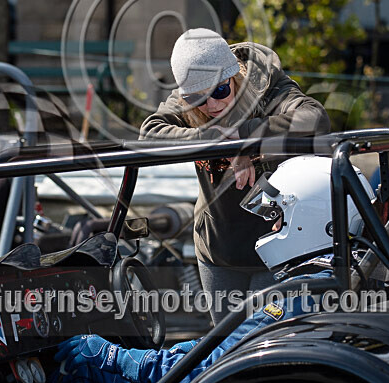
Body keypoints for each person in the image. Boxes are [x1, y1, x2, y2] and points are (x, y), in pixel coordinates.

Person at [51, 156, 373, 383]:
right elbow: (216, 349)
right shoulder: (348, 282)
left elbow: (205, 366)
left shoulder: (293, 300)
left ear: (311, 221)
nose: (272, 226)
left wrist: (111, 356)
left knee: (81, 375)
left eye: (278, 218)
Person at [140, 28, 330, 324]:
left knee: (258, 347)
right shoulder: (188, 100)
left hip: (276, 248)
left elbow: (314, 119)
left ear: (235, 76)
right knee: (224, 352)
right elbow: (149, 135)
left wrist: (244, 138)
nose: (212, 105)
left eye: (220, 91)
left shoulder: (268, 86)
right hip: (218, 251)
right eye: (198, 100)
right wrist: (216, 139)